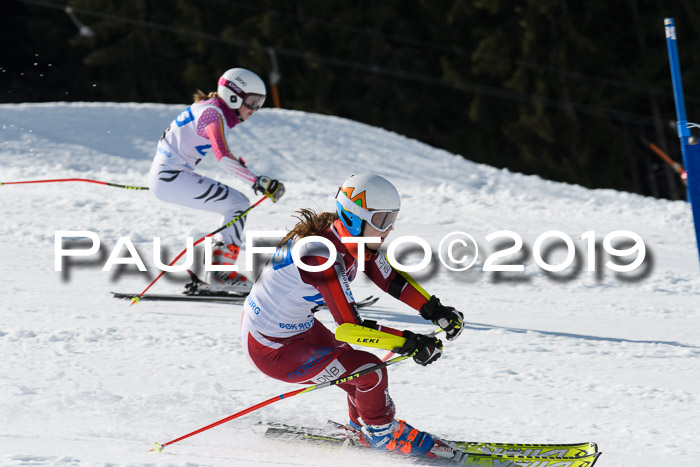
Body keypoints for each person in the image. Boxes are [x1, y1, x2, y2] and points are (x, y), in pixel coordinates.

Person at [240, 174, 464, 457]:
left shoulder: (345, 235)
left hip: (294, 330)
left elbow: (390, 279)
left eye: (392, 219)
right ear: (355, 218)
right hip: (271, 348)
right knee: (371, 372)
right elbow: (349, 326)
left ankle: (364, 428)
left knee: (355, 367)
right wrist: (409, 342)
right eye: (382, 220)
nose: (390, 229)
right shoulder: (320, 255)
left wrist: (435, 310)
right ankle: (382, 434)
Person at [148, 68, 285, 294]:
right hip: (170, 177)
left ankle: (219, 271)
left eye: (259, 103)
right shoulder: (213, 114)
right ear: (233, 96)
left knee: (236, 203)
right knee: (237, 204)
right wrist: (258, 181)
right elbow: (223, 157)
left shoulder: (211, 110)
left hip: (169, 176)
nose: (254, 109)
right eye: (251, 101)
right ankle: (220, 272)